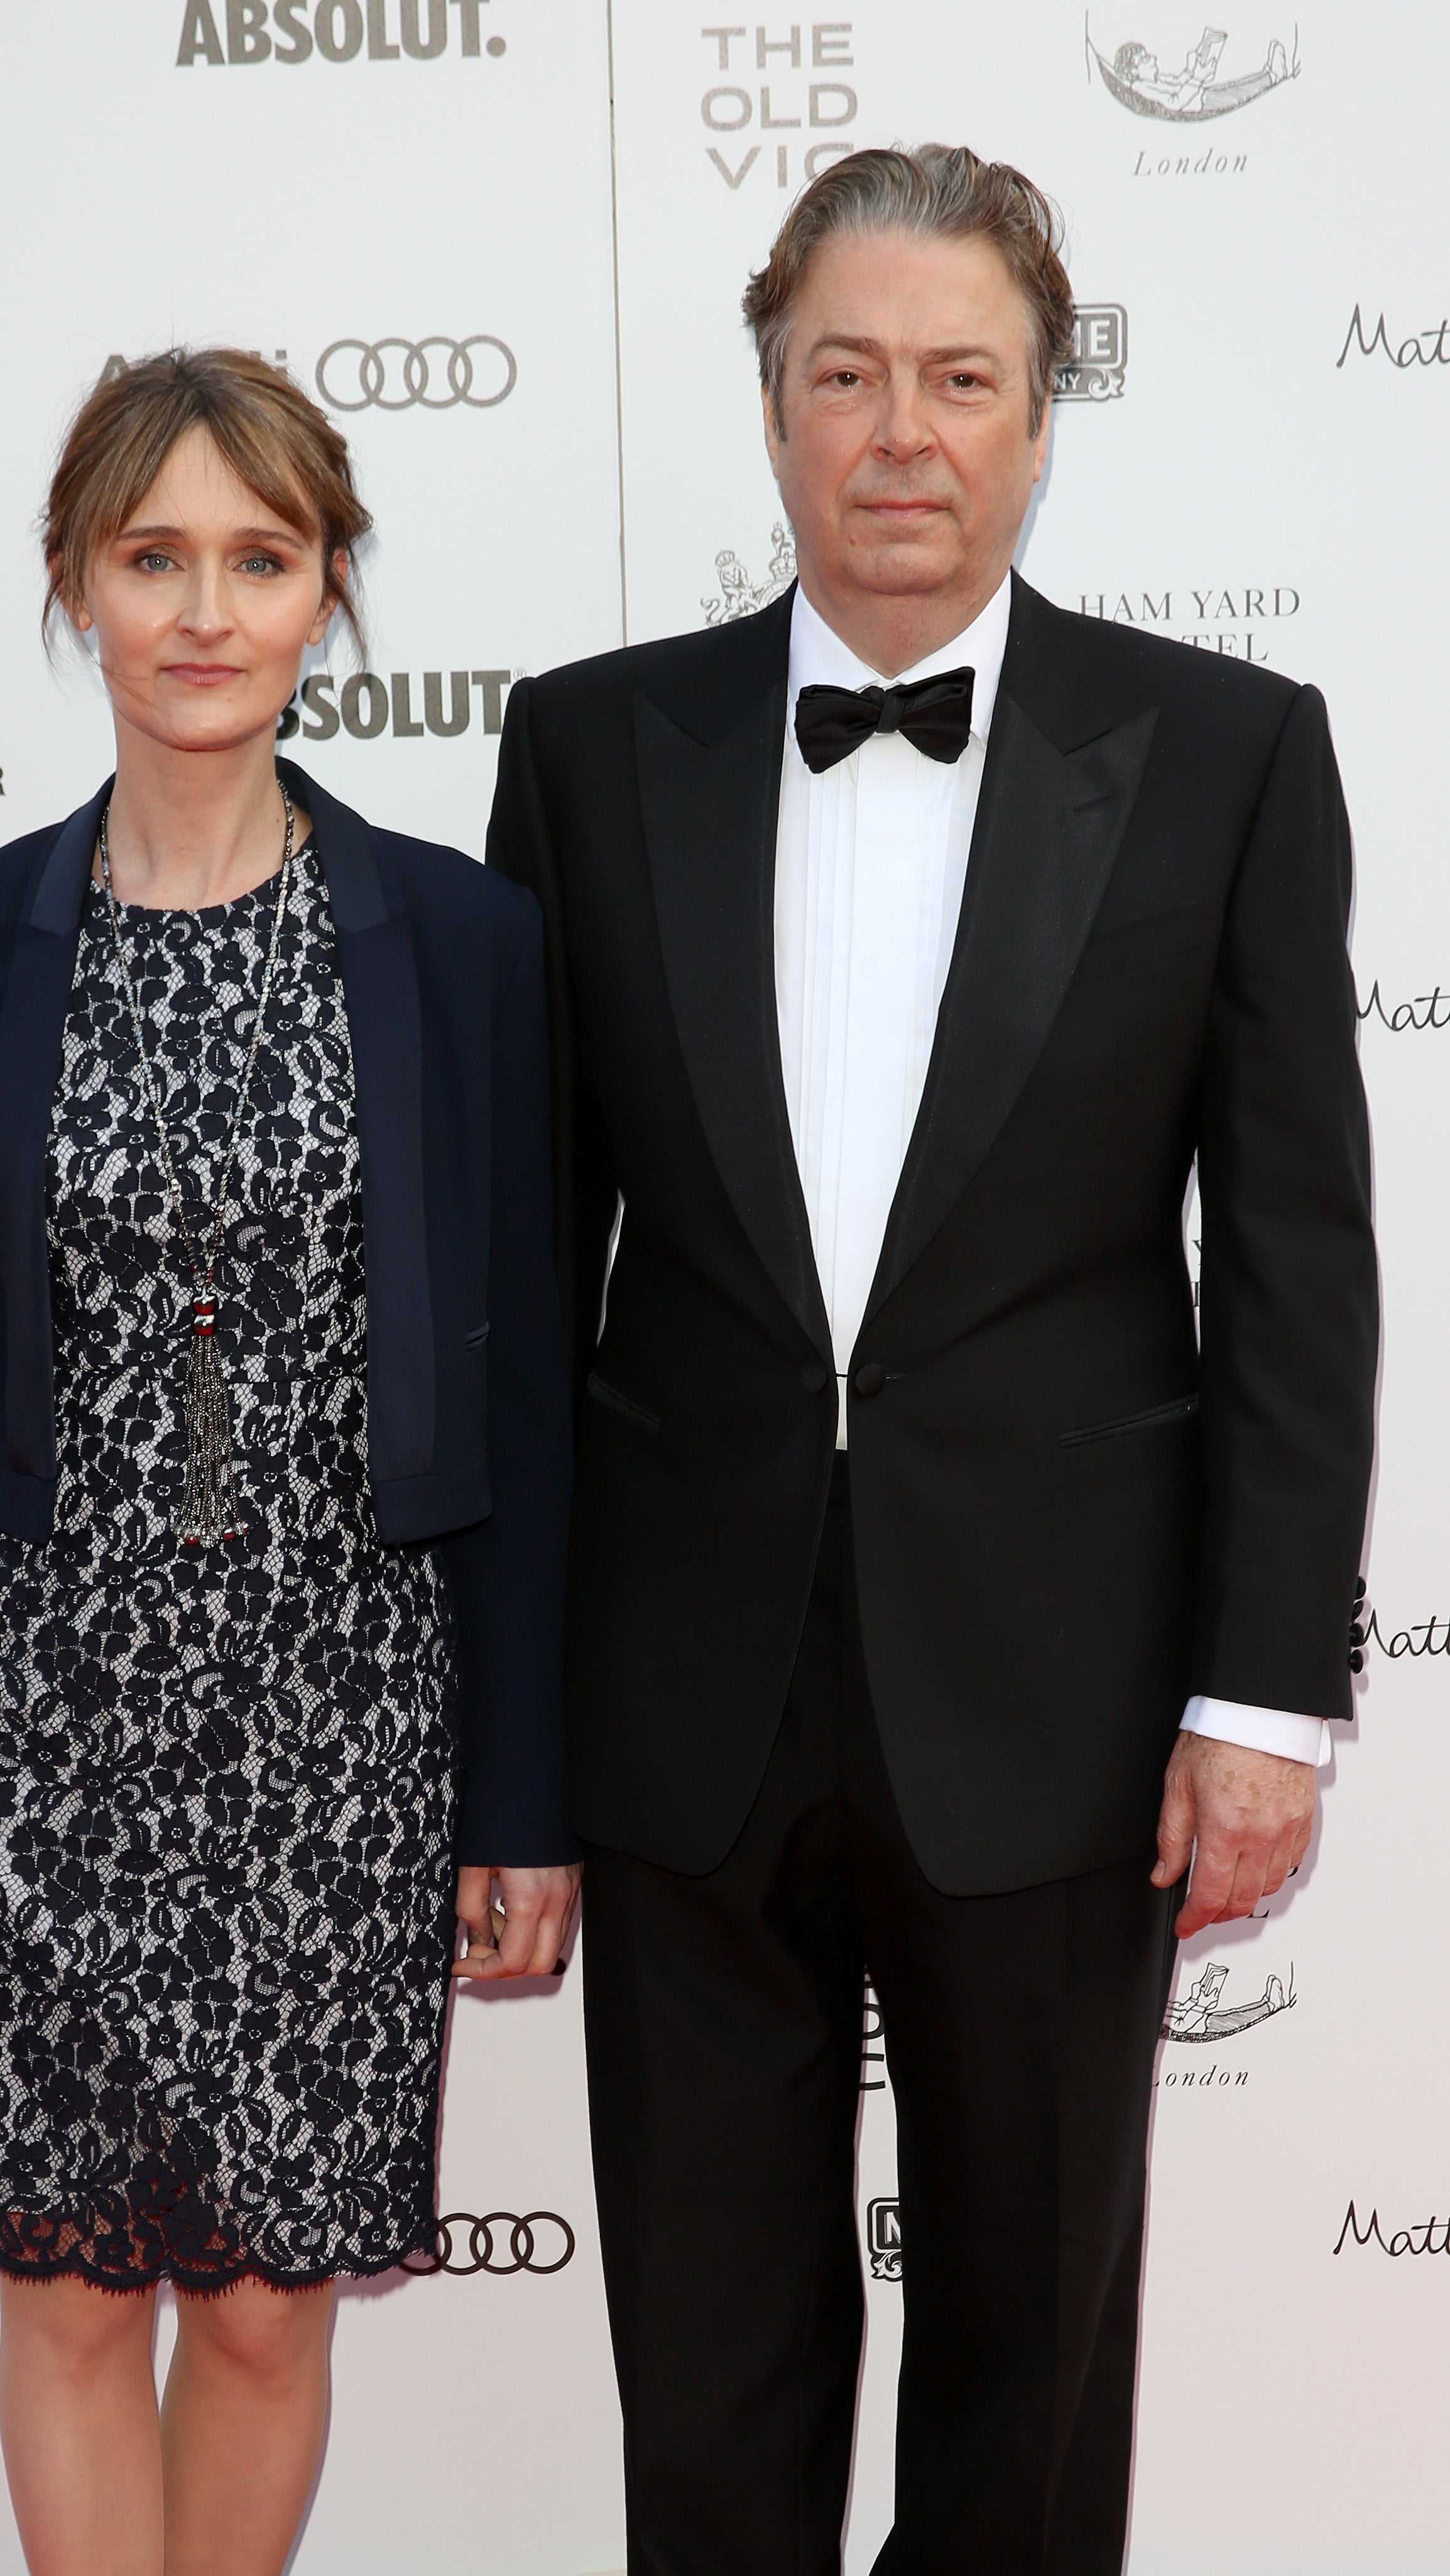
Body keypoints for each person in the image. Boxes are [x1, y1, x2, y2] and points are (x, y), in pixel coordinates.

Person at [486, 146, 1376, 2574]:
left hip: (1072, 1702)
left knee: (1035, 2393)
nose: (904, 431)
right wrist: (513, 1743)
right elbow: (530, 1271)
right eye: (846, 375)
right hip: (685, 1698)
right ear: (771, 413)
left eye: (960, 378)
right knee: (709, 2381)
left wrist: (1268, 1699)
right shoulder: (586, 752)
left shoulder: (1227, 753)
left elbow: (1298, 1254)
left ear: (1040, 413)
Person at [0, 347, 578, 2576]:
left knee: (255, 2306)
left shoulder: (465, 945)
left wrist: (521, 1789)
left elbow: (519, 1397)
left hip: (335, 1713)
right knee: (65, 2288)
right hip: (29, 1698)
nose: (207, 609)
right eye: (155, 558)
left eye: (261, 555)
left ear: (327, 593)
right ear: (75, 590)